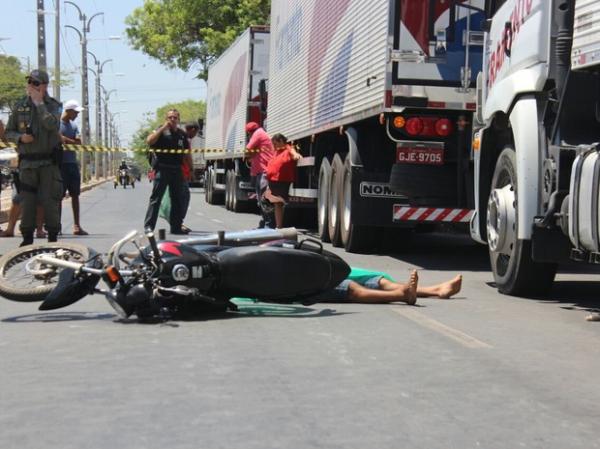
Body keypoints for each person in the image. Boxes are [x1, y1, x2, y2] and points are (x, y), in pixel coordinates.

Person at [4, 69, 62, 246]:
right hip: (28, 163)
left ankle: (53, 237)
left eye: (36, 83)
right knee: (27, 201)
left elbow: (52, 124)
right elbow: (8, 132)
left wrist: (39, 105)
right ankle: (27, 237)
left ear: (44, 85)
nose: (31, 86)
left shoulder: (54, 105)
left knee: (49, 200)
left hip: (47, 163)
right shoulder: (19, 105)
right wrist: (21, 138)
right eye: (30, 82)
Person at [310, 268, 463, 305]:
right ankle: (402, 295)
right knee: (350, 287)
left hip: (318, 269)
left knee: (379, 280)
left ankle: (436, 290)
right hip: (305, 282)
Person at [144, 108, 188, 234]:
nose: (172, 120)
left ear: (178, 120)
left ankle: (176, 227)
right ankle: (149, 227)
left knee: (177, 199)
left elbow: (186, 153)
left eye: (175, 117)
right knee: (156, 199)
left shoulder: (181, 134)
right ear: (166, 119)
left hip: (176, 170)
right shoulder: (160, 130)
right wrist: (162, 128)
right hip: (162, 169)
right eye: (170, 117)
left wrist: (190, 168)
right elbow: (149, 141)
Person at [59, 99, 88, 236]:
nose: (77, 114)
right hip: (59, 164)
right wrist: (67, 140)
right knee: (58, 196)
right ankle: (56, 225)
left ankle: (77, 226)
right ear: (68, 111)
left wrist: (65, 139)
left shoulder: (74, 126)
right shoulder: (56, 124)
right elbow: (57, 139)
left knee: (75, 195)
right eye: (75, 112)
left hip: (72, 164)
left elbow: (79, 142)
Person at [264, 133, 302, 228]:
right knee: (275, 203)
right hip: (273, 180)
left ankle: (278, 225)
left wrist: (296, 155)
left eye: (275, 143)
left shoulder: (288, 148)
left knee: (278, 203)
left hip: (281, 181)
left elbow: (293, 152)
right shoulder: (277, 151)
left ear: (281, 141)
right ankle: (276, 225)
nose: (274, 146)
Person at [245, 121, 276, 228]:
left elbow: (247, 150)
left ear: (250, 132)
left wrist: (250, 154)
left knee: (264, 199)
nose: (249, 136)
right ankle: (265, 222)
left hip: (264, 172)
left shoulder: (257, 134)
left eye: (248, 134)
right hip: (261, 171)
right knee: (262, 199)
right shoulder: (261, 133)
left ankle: (269, 224)